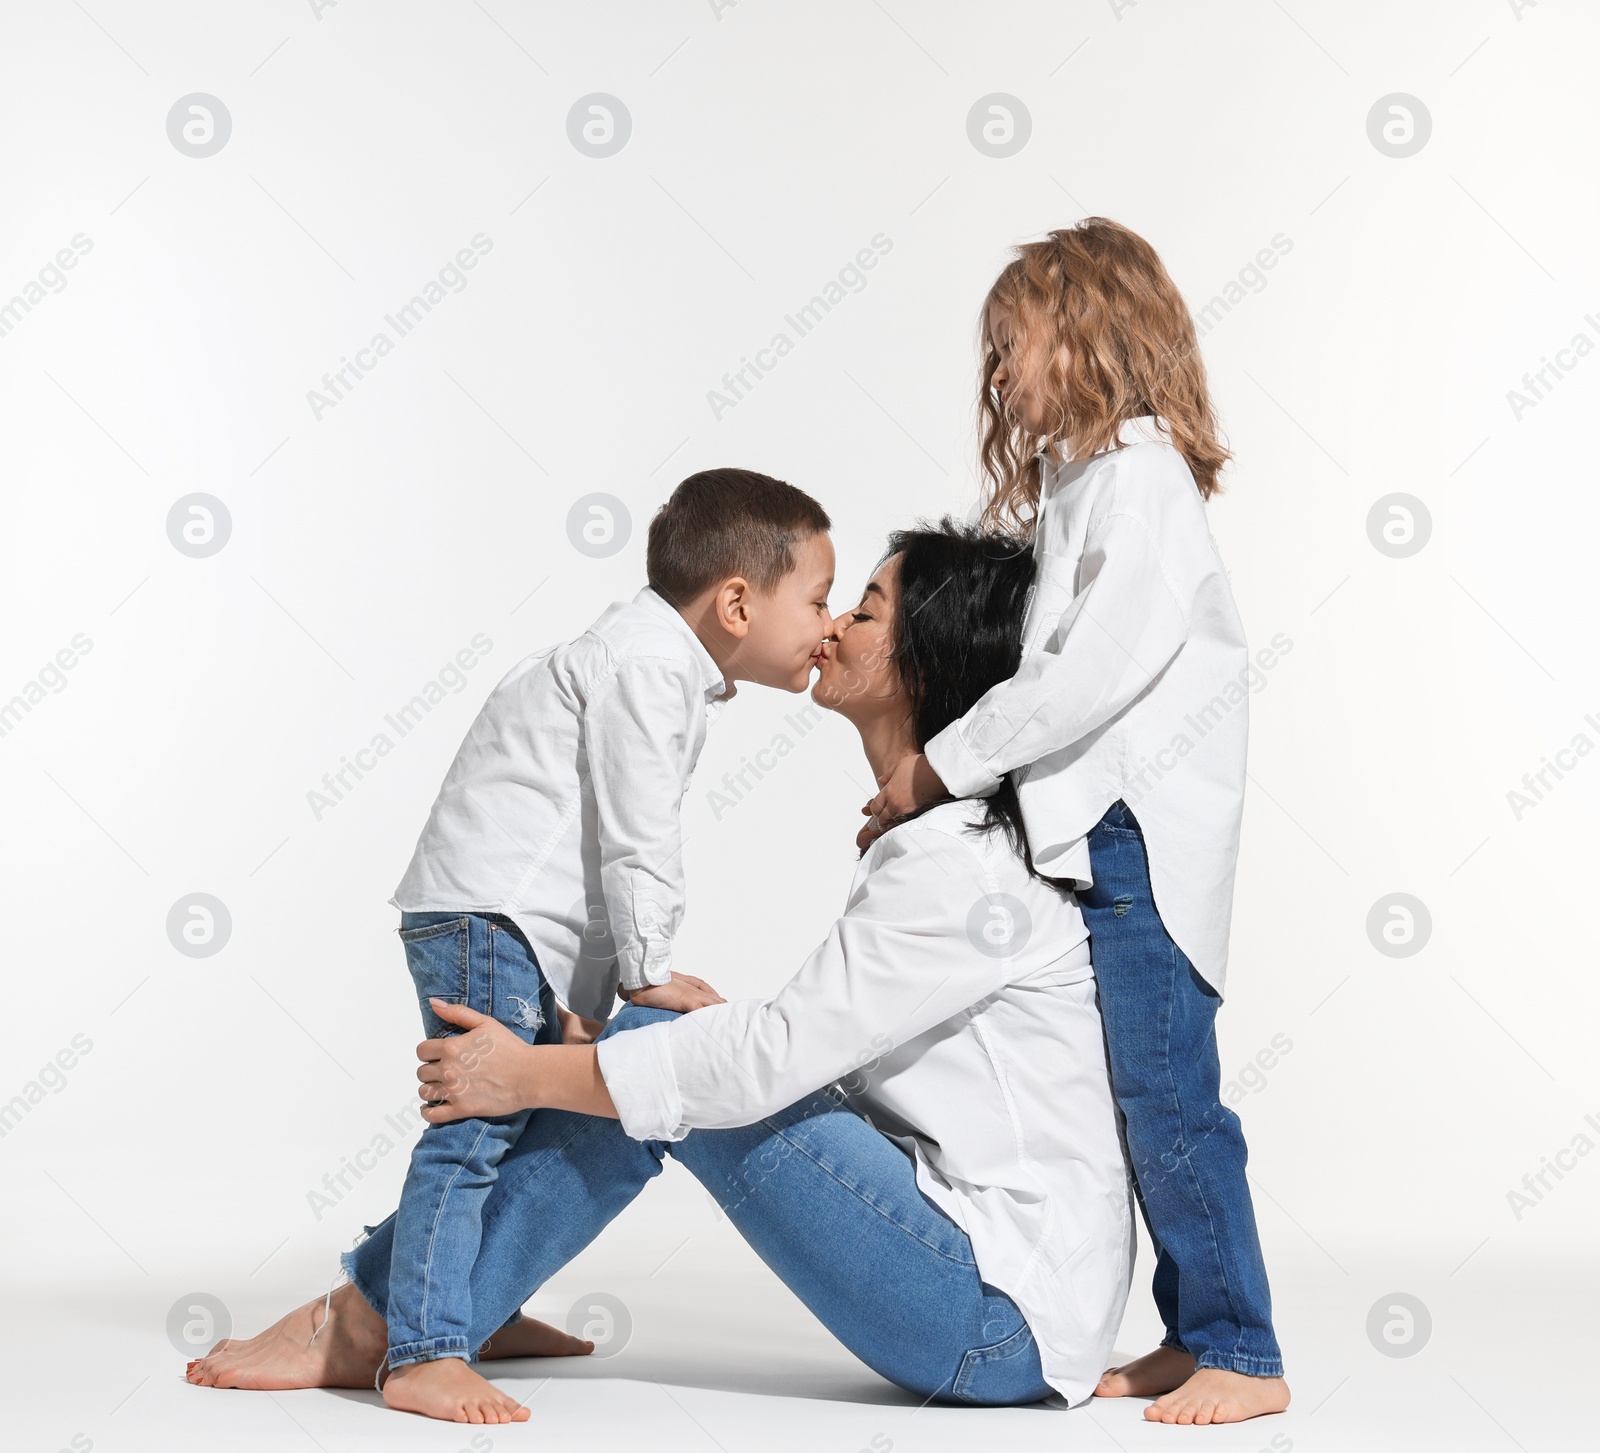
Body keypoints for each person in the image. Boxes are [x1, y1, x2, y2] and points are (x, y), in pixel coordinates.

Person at [187, 521, 1134, 1421]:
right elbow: (815, 1058)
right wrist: (625, 1054)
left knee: (658, 1055)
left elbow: (768, 1060)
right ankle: (452, 1300)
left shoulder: (956, 863)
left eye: (869, 609)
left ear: (926, 662)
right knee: (656, 1054)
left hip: (994, 1324)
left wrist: (531, 1072)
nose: (836, 622)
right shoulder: (943, 845)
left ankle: (379, 1320)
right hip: (1003, 1298)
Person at [863, 219, 1290, 1425]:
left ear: (1095, 337)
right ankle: (1188, 1325)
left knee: (1167, 1091)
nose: (999, 374)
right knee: (1126, 1090)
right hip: (1092, 828)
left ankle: (1242, 1348)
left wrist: (938, 769)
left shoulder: (1141, 484)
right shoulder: (1088, 484)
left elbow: (1083, 675)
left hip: (1138, 838)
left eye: (1016, 345)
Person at [377, 467, 835, 1420]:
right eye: (820, 598)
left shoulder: (648, 660)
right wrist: (648, 971)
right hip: (488, 913)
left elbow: (587, 837)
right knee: (476, 1124)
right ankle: (420, 1349)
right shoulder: (648, 661)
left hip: (512, 920)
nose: (829, 625)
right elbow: (638, 831)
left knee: (533, 1114)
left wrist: (604, 985)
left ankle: (477, 1308)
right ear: (738, 601)